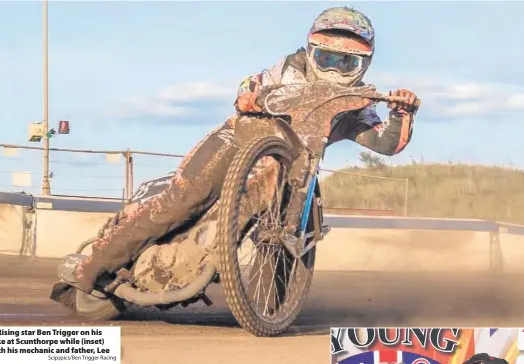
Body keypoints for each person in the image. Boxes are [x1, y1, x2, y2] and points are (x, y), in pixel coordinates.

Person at [59, 6, 420, 295]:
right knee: (184, 199)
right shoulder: (288, 68)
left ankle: (271, 300)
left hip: (290, 169)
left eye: (347, 63)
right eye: (327, 58)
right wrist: (249, 96)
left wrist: (402, 111)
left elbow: (386, 143)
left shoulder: (358, 103)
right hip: (238, 140)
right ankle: (93, 264)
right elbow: (249, 85)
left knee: (277, 219)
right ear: (311, 51)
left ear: (363, 65)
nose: (335, 70)